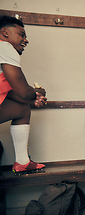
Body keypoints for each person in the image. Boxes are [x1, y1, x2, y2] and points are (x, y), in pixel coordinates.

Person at [0, 15, 47, 175]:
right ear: (5, 33)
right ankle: (22, 162)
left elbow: (11, 94)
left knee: (22, 109)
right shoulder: (4, 47)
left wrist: (32, 100)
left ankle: (23, 162)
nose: (26, 40)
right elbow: (23, 91)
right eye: (21, 34)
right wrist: (38, 92)